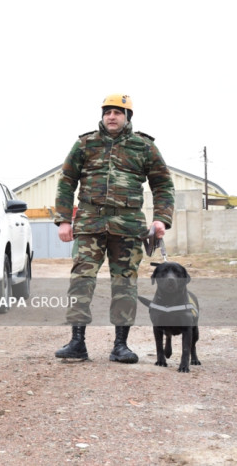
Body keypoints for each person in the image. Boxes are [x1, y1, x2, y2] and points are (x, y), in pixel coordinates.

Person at [53, 94, 174, 363]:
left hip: (128, 227)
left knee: (125, 285)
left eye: (118, 112)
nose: (111, 116)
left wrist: (161, 219)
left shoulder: (144, 146)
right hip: (89, 224)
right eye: (107, 111)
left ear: (127, 116)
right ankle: (77, 342)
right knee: (81, 281)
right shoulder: (85, 144)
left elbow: (163, 184)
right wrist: (64, 219)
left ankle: (121, 345)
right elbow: (67, 181)